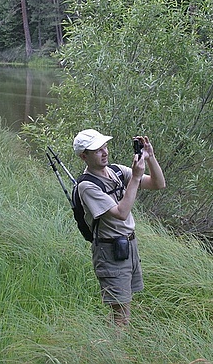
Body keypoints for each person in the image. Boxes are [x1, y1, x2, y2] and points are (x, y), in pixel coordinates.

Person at [73, 129, 165, 326]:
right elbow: (121, 212)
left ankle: (111, 346)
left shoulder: (116, 171)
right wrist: (136, 177)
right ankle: (114, 352)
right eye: (97, 150)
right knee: (121, 316)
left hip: (129, 247)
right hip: (110, 251)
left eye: (104, 146)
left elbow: (158, 184)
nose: (104, 152)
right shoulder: (87, 186)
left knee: (123, 310)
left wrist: (150, 157)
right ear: (84, 156)